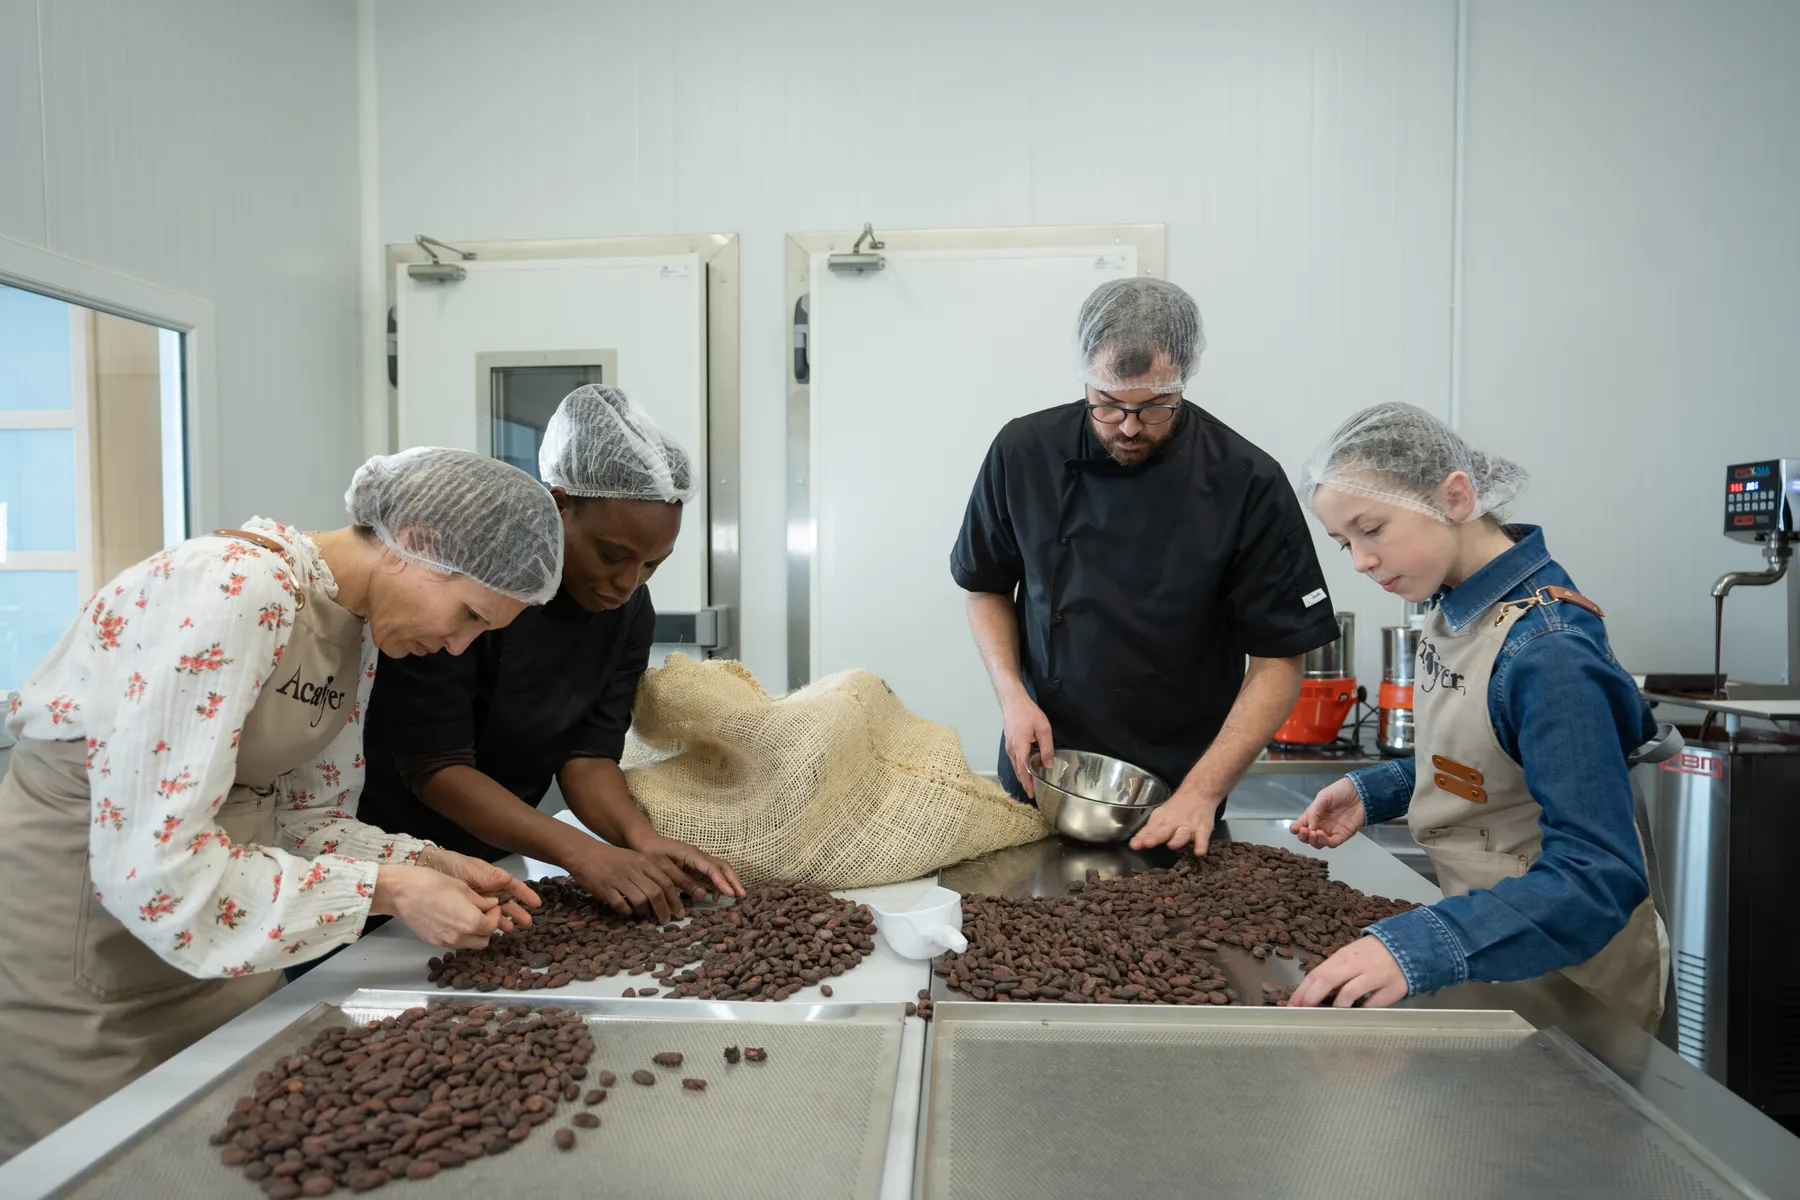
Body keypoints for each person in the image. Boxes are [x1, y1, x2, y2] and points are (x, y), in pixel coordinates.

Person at [0, 448, 563, 1159]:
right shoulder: (230, 590)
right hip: (87, 953)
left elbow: (301, 819)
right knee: (102, 1163)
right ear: (416, 542)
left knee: (223, 1146)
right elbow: (151, 864)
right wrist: (387, 887)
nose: (458, 647)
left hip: (220, 949)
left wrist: (428, 863)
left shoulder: (350, 624)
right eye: (469, 615)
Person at [1286, 403, 1668, 1030]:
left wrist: (1419, 946)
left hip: (1573, 986)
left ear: (1457, 496)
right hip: (1491, 948)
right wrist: (1374, 789)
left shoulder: (1548, 652)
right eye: (1344, 542)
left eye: (1372, 528)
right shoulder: (1454, 606)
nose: (1359, 561)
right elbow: (1488, 755)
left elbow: (1597, 879)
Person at [950, 277, 1342, 854]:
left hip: (1183, 781)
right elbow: (984, 586)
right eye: (1107, 405)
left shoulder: (1245, 480)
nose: (1129, 427)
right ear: (1085, 377)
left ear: (1183, 380)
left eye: (1155, 407)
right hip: (1043, 765)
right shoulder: (1022, 450)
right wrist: (1012, 695)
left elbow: (1280, 658)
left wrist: (1205, 790)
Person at [357, 385, 744, 921]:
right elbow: (436, 766)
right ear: (559, 503)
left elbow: (586, 756)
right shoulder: (468, 583)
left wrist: (638, 838)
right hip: (386, 863)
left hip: (499, 864)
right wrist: (580, 852)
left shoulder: (629, 611)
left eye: (652, 564)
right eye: (612, 555)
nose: (627, 583)